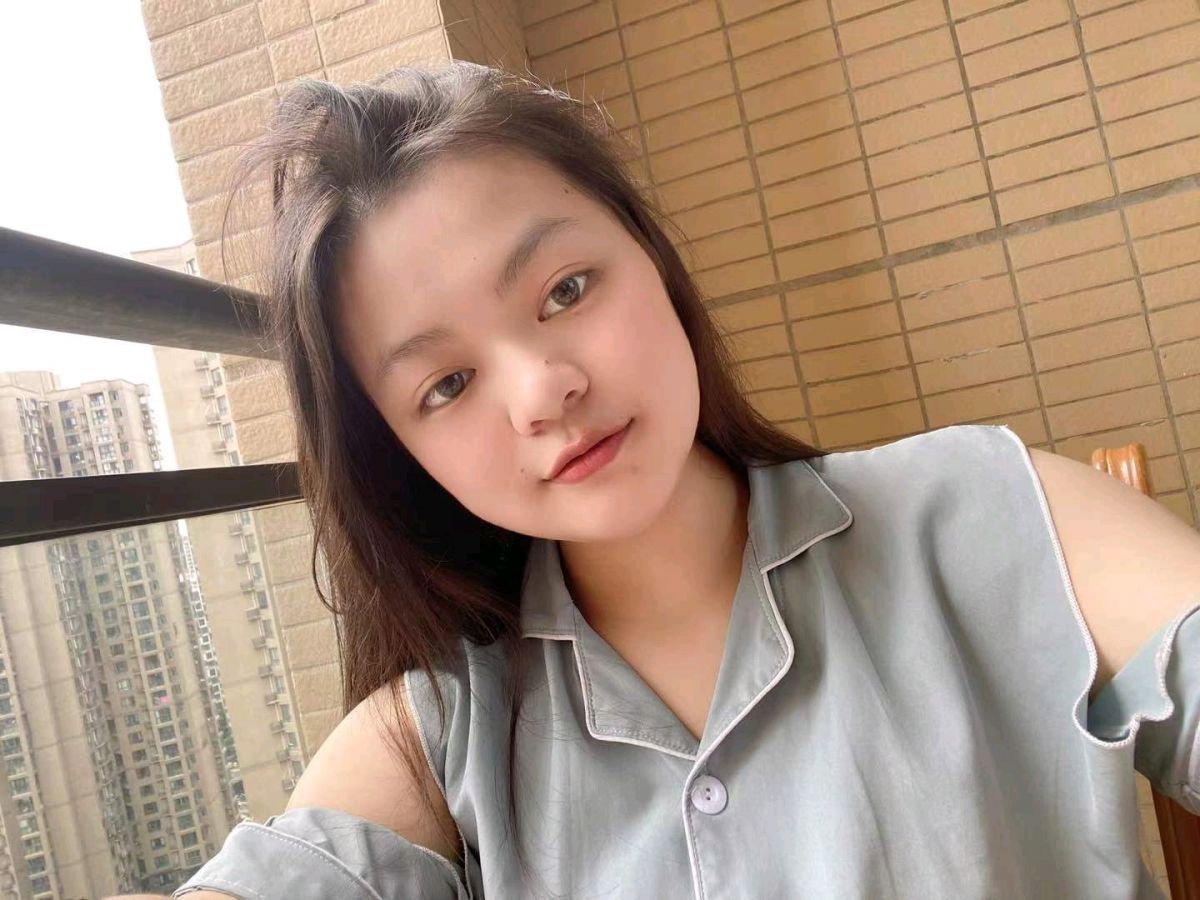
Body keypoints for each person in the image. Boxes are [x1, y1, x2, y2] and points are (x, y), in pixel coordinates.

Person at [153, 61, 1200, 899]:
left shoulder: (994, 514)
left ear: (651, 257)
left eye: (566, 290)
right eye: (448, 384)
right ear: (399, 455)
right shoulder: (435, 739)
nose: (544, 391)